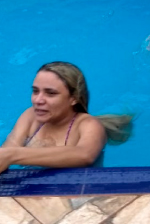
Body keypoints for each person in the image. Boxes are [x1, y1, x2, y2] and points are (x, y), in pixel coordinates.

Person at [0, 62, 133, 174]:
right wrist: (8, 155)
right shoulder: (31, 117)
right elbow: (6, 151)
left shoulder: (88, 125)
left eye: (50, 93)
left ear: (73, 98)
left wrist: (14, 155)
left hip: (79, 195)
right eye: (35, 91)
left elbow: (84, 155)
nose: (38, 100)